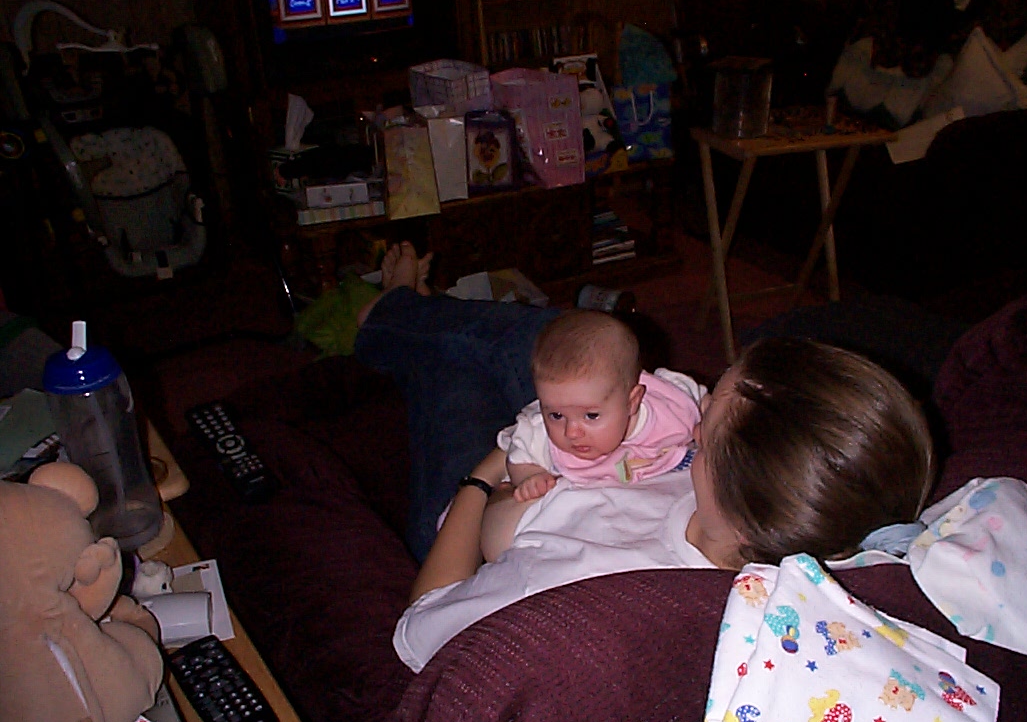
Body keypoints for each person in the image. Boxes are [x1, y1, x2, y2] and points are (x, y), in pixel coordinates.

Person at [355, 252, 934, 671]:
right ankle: (418, 311)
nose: (695, 418)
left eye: (707, 419)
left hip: (478, 508)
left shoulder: (574, 584)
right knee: (564, 341)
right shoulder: (782, 512)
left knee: (453, 376)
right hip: (576, 441)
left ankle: (394, 310)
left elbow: (421, 626)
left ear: (722, 474)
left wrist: (485, 474)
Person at [482, 309, 705, 562]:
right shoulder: (538, 431)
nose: (572, 432)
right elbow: (518, 456)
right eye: (556, 415)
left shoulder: (670, 405)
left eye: (591, 416)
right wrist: (530, 476)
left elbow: (704, 402)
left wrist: (708, 426)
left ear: (632, 402)